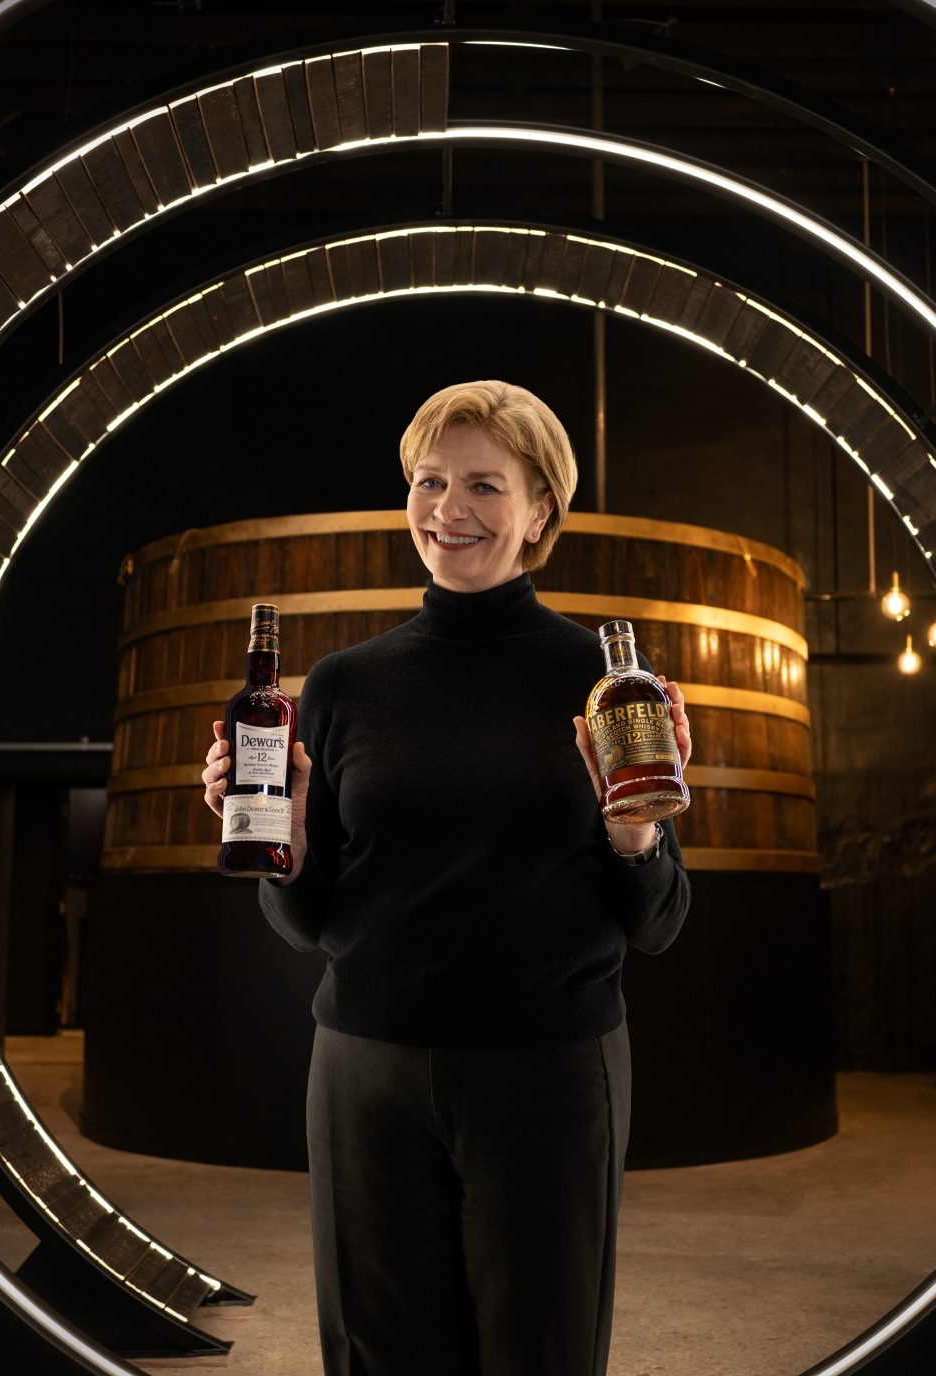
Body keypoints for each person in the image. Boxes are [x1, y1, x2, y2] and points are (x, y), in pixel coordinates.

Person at [202, 380, 691, 1376]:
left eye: (482, 484)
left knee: (538, 1348)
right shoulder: (342, 681)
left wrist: (636, 835)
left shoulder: (597, 680)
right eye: (428, 482)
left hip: (548, 1069)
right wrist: (281, 836)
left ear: (539, 512)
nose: (446, 510)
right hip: (363, 1067)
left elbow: (656, 923)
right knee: (377, 1352)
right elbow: (305, 920)